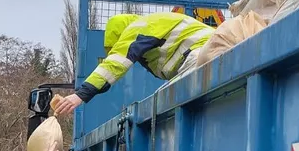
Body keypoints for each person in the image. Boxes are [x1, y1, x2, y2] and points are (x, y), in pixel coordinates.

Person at [54, 11, 213, 115]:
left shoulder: (136, 30)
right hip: (210, 50)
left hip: (201, 53)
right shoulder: (152, 25)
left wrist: (80, 95)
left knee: (171, 105)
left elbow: (114, 65)